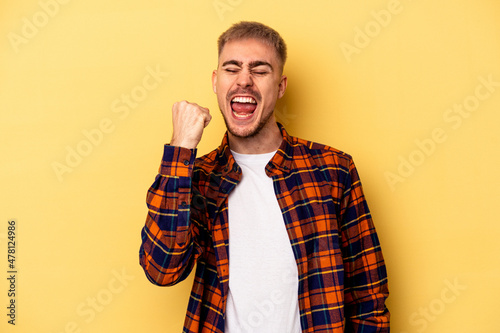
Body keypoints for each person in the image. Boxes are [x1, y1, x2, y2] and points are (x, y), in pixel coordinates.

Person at [139, 21, 390, 333]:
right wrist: (180, 149)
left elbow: (368, 293)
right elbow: (162, 268)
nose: (244, 80)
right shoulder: (199, 177)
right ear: (216, 82)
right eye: (232, 69)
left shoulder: (332, 170)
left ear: (281, 85)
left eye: (259, 70)